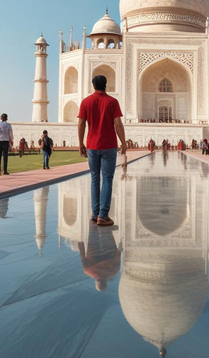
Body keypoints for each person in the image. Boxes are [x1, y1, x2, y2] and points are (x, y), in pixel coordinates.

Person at [78, 75, 126, 226]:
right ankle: (103, 215)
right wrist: (123, 142)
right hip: (108, 145)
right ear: (106, 85)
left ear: (93, 85)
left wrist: (80, 144)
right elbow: (118, 124)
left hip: (92, 145)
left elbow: (81, 124)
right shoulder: (112, 102)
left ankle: (95, 213)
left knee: (94, 178)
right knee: (107, 179)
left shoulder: (86, 102)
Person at [78, 222, 121, 292]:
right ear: (96, 283)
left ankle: (106, 228)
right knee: (93, 230)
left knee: (106, 232)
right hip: (93, 250)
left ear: (106, 282)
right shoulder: (88, 271)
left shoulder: (114, 271)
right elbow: (83, 257)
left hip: (109, 250)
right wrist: (81, 247)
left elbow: (117, 257)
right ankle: (96, 222)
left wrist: (119, 249)